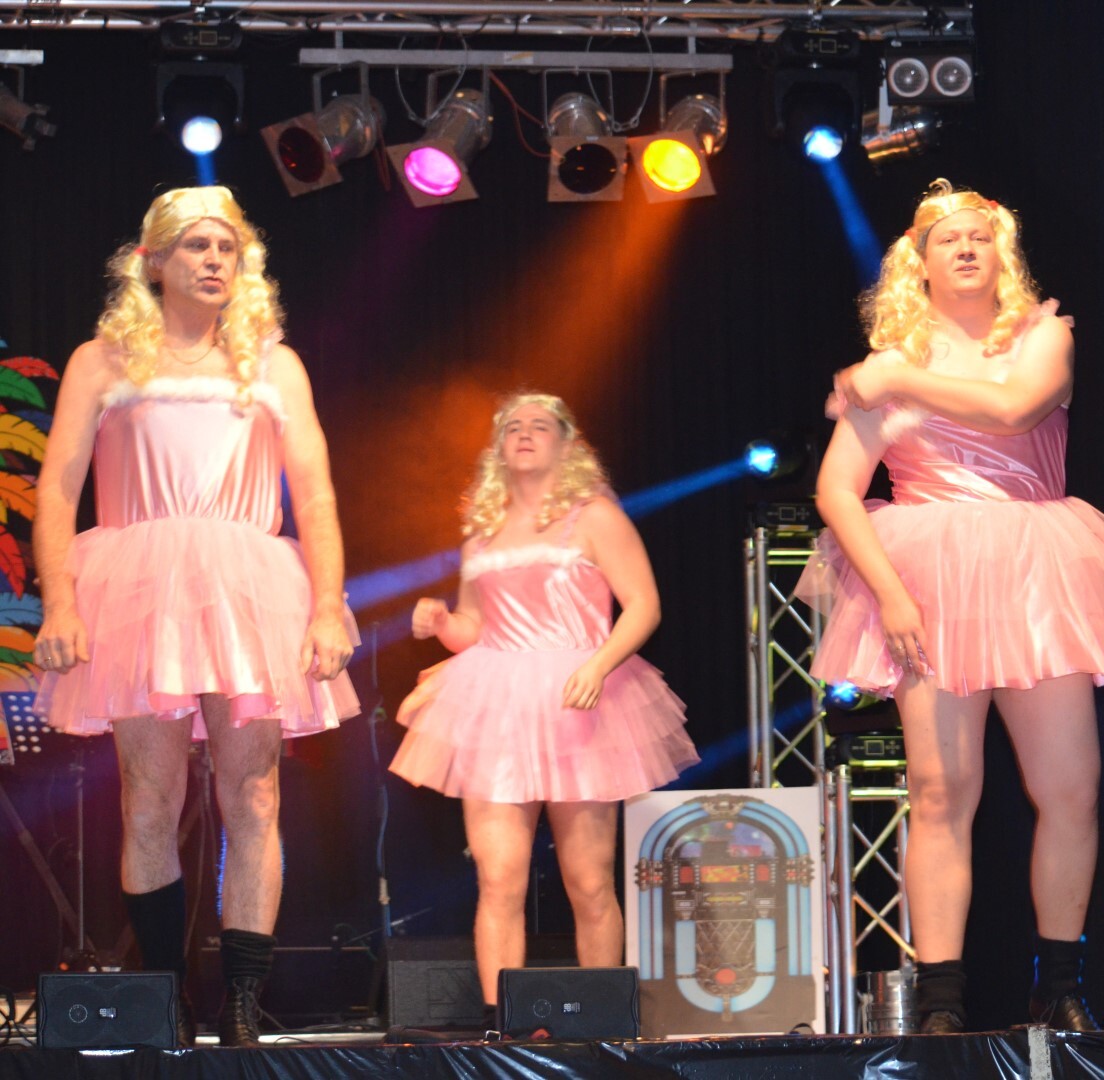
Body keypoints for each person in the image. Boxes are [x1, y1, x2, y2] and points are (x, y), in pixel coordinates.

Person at [796, 179, 1104, 1033]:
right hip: (929, 581)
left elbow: (1016, 408)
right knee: (940, 790)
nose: (963, 247)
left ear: (1001, 255)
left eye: (979, 237)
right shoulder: (888, 362)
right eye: (945, 238)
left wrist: (896, 379)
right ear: (917, 263)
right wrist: (890, 596)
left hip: (1035, 572)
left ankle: (1058, 984)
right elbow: (837, 489)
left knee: (1070, 788)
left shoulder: (1040, 335)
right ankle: (941, 997)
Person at [31, 186, 360, 1046]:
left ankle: (243, 1003)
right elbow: (58, 487)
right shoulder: (102, 360)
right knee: (149, 796)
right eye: (195, 245)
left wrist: (329, 605)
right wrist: (59, 599)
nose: (214, 260)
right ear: (152, 261)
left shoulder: (273, 363)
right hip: (140, 586)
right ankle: (166, 999)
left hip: (248, 583)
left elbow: (316, 494)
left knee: (254, 792)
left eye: (226, 247)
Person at [389, 392, 698, 1020]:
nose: (525, 433)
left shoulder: (594, 516)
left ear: (567, 443)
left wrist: (599, 665)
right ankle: (500, 1023)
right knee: (498, 879)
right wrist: (442, 621)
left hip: (578, 701)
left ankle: (604, 1021)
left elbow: (643, 604)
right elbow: (475, 627)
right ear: (498, 449)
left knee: (588, 880)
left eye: (540, 425)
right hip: (497, 707)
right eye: (512, 426)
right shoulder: (483, 530)